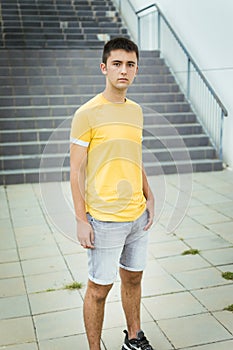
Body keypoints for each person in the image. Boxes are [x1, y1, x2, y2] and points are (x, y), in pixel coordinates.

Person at [70, 37, 155, 350]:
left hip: (137, 215)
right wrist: (81, 219)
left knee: (133, 278)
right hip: (104, 219)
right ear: (104, 67)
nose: (124, 70)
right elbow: (76, 170)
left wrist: (149, 193)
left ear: (136, 70)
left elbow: (135, 156)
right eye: (117, 64)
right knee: (99, 289)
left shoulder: (136, 111)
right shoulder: (87, 113)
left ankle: (134, 339)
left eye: (130, 64)